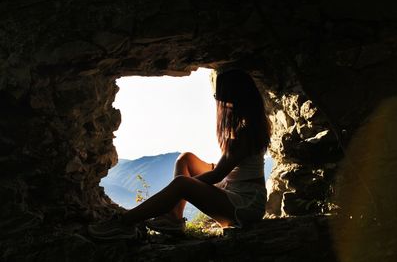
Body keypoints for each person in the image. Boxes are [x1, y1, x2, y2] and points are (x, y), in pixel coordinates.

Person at [88, 69, 271, 240]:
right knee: (186, 158)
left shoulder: (245, 133)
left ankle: (124, 223)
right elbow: (229, 170)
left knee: (181, 184)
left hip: (245, 205)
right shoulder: (248, 126)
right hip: (235, 190)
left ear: (233, 97)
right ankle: (174, 218)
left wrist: (180, 190)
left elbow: (217, 175)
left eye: (219, 94)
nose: (216, 98)